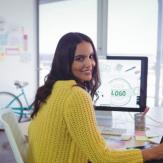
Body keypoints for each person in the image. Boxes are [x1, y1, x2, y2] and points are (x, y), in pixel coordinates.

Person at [27, 32, 163, 163]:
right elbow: (103, 158)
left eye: (91, 56)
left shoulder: (51, 89)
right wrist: (153, 152)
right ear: (64, 62)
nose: (90, 64)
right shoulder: (76, 95)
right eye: (80, 58)